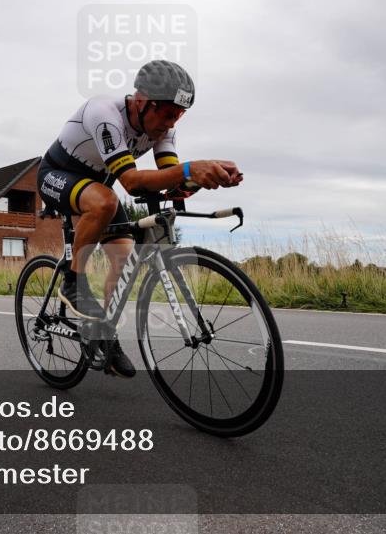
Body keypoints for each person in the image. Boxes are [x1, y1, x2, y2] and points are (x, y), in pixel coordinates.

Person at [37, 60, 243, 377]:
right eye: (168, 114)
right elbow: (132, 182)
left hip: (98, 188)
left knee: (123, 256)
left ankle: (105, 335)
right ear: (144, 101)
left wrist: (203, 179)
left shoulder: (163, 128)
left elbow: (170, 182)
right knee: (105, 201)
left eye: (179, 116)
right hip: (57, 175)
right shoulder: (105, 113)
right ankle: (72, 280)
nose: (172, 123)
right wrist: (190, 168)